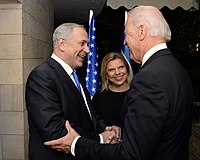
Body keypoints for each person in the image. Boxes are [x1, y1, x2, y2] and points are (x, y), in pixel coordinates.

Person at [44, 6, 194, 160]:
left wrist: (76, 145)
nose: (125, 41)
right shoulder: (176, 68)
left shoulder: (148, 78)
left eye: (126, 34)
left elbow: (131, 154)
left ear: (141, 31)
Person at [25, 23, 120, 160]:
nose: (88, 50)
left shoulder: (76, 74)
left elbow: (88, 112)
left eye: (87, 44)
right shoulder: (42, 76)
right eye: (82, 43)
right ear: (62, 44)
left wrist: (105, 128)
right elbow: (54, 131)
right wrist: (99, 138)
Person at [92, 52, 132, 127]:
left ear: (127, 69)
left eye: (121, 67)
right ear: (106, 74)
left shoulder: (137, 93)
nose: (117, 72)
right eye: (111, 70)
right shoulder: (99, 97)